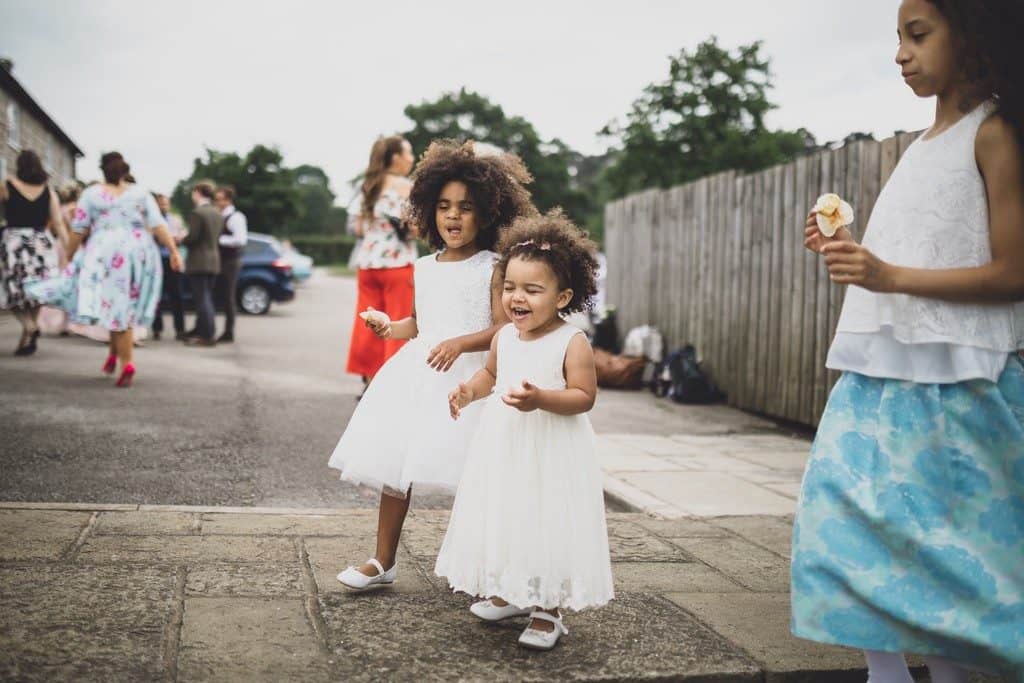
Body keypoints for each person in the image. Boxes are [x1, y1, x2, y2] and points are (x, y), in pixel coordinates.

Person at [791, 0, 1024, 679]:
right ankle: (885, 672)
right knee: (841, 522)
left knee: (954, 554)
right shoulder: (922, 145)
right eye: (897, 37)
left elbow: (1015, 272)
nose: (900, 53)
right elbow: (912, 260)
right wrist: (853, 254)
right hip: (881, 378)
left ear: (972, 35)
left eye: (917, 35)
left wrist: (886, 273)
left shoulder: (994, 134)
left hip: (959, 384)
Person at [328, 140, 535, 592]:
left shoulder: (493, 266)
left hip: (472, 378)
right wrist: (390, 327)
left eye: (464, 207)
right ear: (428, 210)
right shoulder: (423, 266)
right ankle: (383, 560)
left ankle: (490, 568)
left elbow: (502, 329)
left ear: (486, 211)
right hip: (418, 374)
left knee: (478, 473)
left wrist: (461, 343)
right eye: (443, 206)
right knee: (395, 464)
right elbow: (421, 324)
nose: (453, 216)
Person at [438, 210, 613, 651]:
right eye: (511, 287)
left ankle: (547, 609)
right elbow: (490, 377)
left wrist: (542, 399)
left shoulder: (571, 341)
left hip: (551, 450)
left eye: (533, 290)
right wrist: (467, 392)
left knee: (546, 521)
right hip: (504, 448)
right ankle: (513, 592)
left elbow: (583, 396)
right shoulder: (504, 338)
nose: (518, 298)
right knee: (508, 516)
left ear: (562, 296)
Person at [25, 152, 182, 386]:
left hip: (103, 251)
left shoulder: (91, 194)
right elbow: (158, 224)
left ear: (103, 170)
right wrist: (174, 251)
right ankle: (115, 356)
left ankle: (125, 362)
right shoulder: (140, 193)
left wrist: (68, 255)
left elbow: (78, 229)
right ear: (124, 171)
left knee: (114, 305)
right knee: (119, 305)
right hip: (137, 252)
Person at [345, 135, 417, 389]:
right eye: (408, 153)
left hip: (368, 263)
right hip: (398, 263)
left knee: (367, 320)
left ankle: (368, 378)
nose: (412, 158)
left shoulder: (368, 185)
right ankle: (390, 385)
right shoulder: (405, 187)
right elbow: (415, 229)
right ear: (396, 158)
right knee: (396, 322)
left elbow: (357, 227)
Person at [0, 149, 68, 355]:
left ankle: (29, 327)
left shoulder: (6, 185)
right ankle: (28, 335)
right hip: (41, 243)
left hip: (15, 242)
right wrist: (69, 248)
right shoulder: (49, 191)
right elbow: (58, 223)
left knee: (12, 288)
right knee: (37, 290)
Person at [182, 181, 222, 347]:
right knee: (207, 299)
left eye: (193, 192)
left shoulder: (198, 213)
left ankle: (206, 336)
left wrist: (181, 238)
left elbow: (193, 238)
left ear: (198, 192)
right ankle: (205, 331)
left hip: (199, 260)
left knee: (202, 300)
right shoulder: (217, 212)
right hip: (213, 260)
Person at [151, 193, 187, 340]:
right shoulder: (151, 221)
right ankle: (157, 329)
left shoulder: (176, 220)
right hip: (157, 260)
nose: (163, 207)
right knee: (156, 297)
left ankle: (180, 329)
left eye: (165, 204)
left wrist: (178, 239)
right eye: (160, 204)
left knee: (176, 296)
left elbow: (183, 235)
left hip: (172, 261)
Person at [213, 185, 247, 343]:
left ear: (228, 200)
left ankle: (228, 332)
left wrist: (218, 240)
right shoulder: (219, 216)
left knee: (228, 296)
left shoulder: (236, 217)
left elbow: (240, 239)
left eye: (219, 199)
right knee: (221, 295)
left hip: (231, 261)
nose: (217, 202)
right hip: (220, 260)